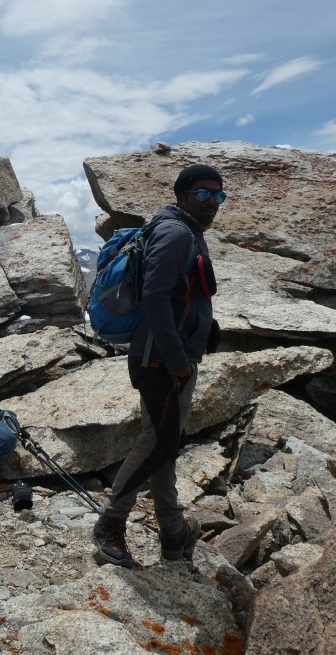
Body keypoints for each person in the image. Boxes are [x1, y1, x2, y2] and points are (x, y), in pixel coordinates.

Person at [92, 162, 224, 567]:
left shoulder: (187, 232)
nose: (212, 202)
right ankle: (110, 522)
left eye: (217, 195)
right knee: (157, 443)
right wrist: (177, 360)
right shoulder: (175, 232)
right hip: (161, 361)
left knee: (165, 442)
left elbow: (181, 295)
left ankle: (173, 531)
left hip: (169, 356)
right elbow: (155, 296)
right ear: (183, 196)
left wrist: (205, 327)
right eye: (203, 194)